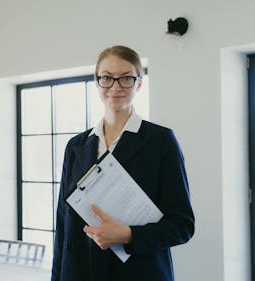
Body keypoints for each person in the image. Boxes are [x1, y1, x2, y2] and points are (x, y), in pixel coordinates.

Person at [51, 45, 194, 281]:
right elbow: (63, 227)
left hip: (138, 273)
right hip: (78, 272)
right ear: (97, 82)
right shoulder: (76, 146)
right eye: (107, 78)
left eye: (126, 78)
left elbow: (182, 226)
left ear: (139, 83)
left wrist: (128, 235)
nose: (115, 87)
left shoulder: (161, 142)